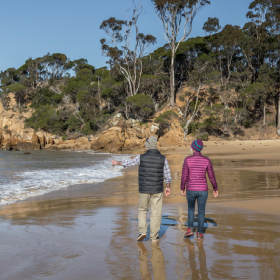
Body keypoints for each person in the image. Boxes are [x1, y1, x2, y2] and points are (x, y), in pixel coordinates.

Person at [111, 136, 172, 242]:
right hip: (157, 189)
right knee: (156, 212)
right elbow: (167, 175)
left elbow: (129, 162)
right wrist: (168, 187)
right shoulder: (163, 158)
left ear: (147, 146)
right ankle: (154, 236)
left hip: (144, 188)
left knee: (142, 210)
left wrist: (117, 163)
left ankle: (143, 231)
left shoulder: (141, 157)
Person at [181, 139, 218, 240]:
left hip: (190, 189)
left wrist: (182, 187)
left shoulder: (187, 160)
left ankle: (189, 230)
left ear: (193, 148)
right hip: (203, 190)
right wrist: (215, 188)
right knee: (201, 211)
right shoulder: (207, 160)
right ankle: (200, 233)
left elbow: (184, 176)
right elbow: (211, 176)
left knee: (191, 209)